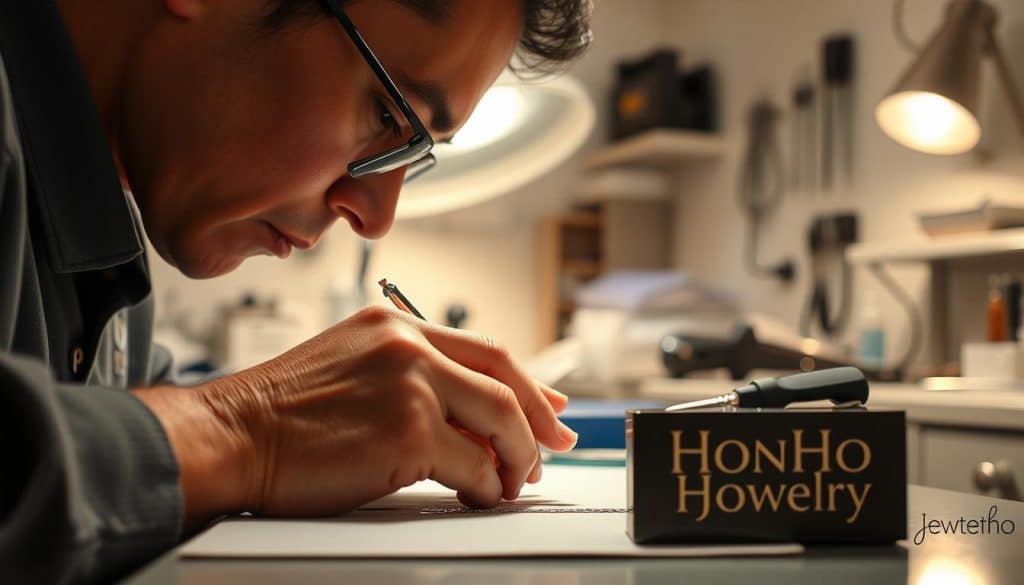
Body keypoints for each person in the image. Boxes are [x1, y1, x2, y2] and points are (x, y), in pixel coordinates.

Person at [0, 0, 592, 582]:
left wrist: (297, 426)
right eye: (387, 115)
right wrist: (246, 430)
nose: (377, 219)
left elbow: (124, 431)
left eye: (413, 153)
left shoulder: (106, 247)